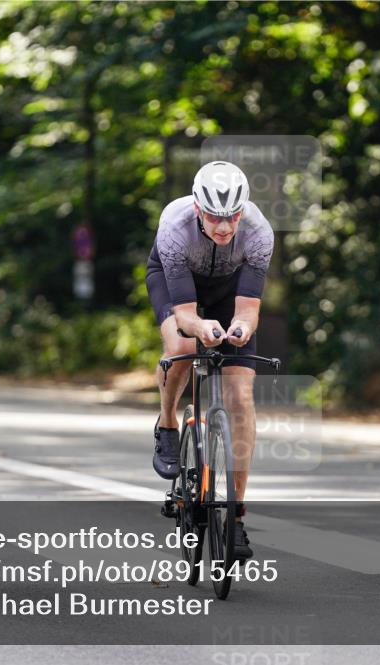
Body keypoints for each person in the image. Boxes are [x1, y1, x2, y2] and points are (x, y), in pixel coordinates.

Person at [146, 161, 274, 559]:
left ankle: (235, 519)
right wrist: (201, 328)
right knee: (183, 347)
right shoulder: (174, 226)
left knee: (241, 397)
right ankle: (168, 423)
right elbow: (186, 315)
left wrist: (240, 327)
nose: (224, 226)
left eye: (232, 216)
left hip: (227, 289)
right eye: (215, 217)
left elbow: (249, 308)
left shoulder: (259, 233)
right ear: (199, 209)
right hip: (176, 285)